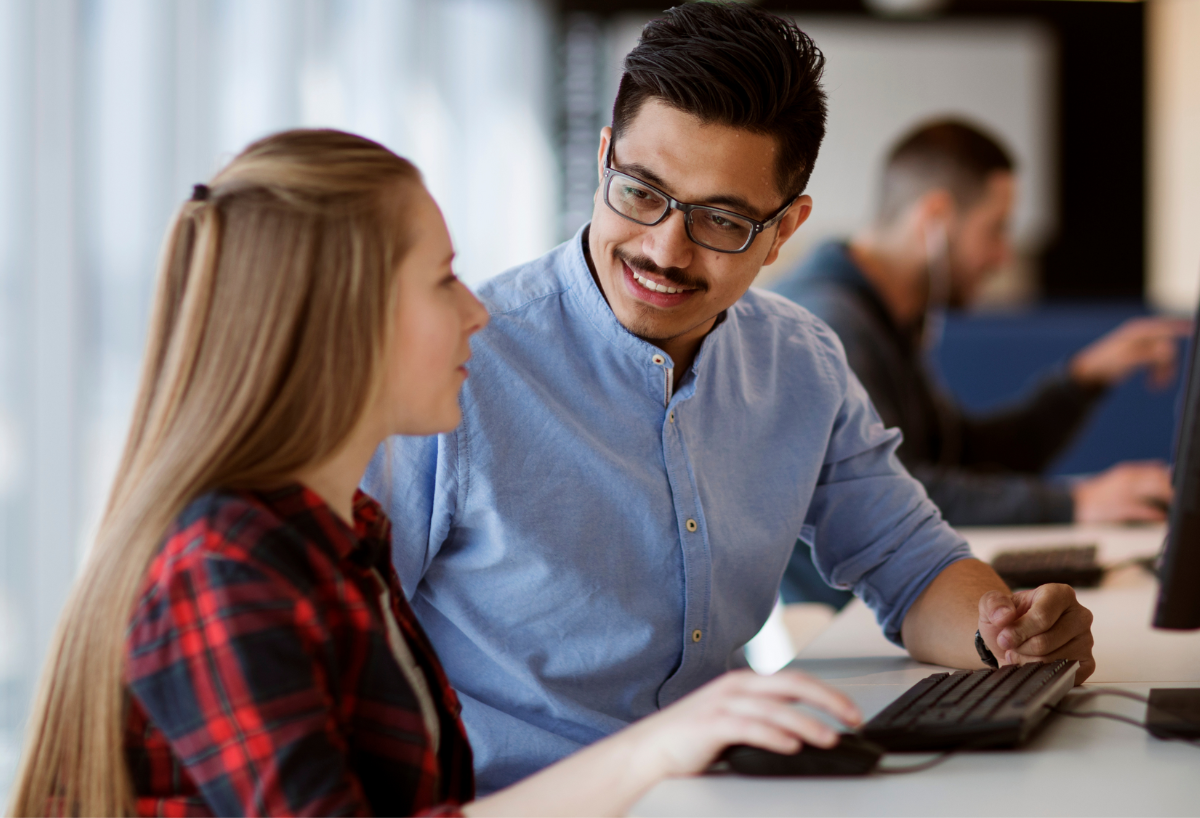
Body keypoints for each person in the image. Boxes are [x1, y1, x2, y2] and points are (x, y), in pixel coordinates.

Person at [8, 130, 865, 818]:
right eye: (442, 279)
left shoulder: (340, 537)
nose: (478, 311)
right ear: (346, 319)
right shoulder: (226, 569)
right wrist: (651, 752)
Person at [365, 2, 1096, 795]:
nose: (664, 250)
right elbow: (350, 647)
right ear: (604, 158)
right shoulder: (461, 362)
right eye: (641, 193)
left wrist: (1006, 631)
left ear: (785, 231)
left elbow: (911, 566)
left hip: (727, 790)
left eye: (722, 220)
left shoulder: (802, 361)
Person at [769, 119, 1185, 607]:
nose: (1002, 256)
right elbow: (892, 494)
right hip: (850, 617)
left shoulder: (888, 316)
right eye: (996, 229)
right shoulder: (830, 323)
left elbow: (963, 455)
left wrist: (1085, 377)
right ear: (937, 217)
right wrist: (1075, 503)